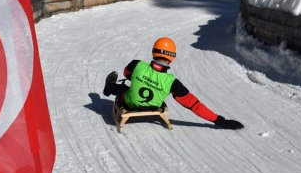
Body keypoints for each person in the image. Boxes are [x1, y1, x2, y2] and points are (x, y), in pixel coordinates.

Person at [103, 37, 244, 130]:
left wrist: (141, 78)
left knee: (124, 89)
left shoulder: (137, 65)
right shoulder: (172, 83)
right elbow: (193, 105)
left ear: (153, 52)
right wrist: (219, 120)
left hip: (130, 103)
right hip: (154, 106)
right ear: (172, 58)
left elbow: (126, 74)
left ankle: (110, 87)